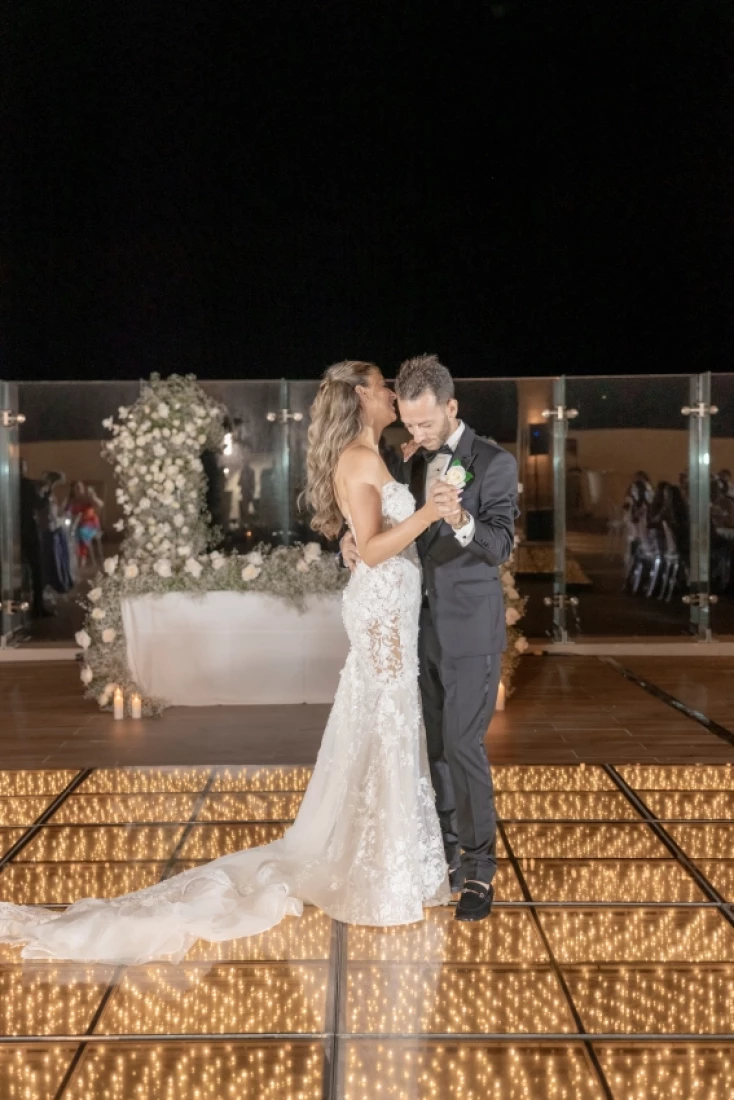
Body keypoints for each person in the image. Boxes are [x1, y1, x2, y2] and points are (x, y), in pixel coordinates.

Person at [0, 360, 459, 964]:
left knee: (385, 728)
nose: (391, 393)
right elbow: (374, 549)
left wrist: (362, 533)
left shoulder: (375, 453)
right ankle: (381, 877)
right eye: (381, 385)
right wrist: (426, 513)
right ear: (360, 396)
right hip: (380, 616)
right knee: (387, 725)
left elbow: (363, 535)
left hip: (388, 610)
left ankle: (386, 863)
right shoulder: (357, 457)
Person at [341, 354, 518, 922]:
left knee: (465, 748)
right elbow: (373, 517)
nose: (413, 434)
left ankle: (479, 871)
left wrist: (460, 517)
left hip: (470, 631)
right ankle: (439, 855)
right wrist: (347, 541)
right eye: (409, 424)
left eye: (425, 424)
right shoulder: (406, 459)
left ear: (451, 407)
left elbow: (500, 545)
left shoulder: (495, 462)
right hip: (416, 629)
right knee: (434, 748)